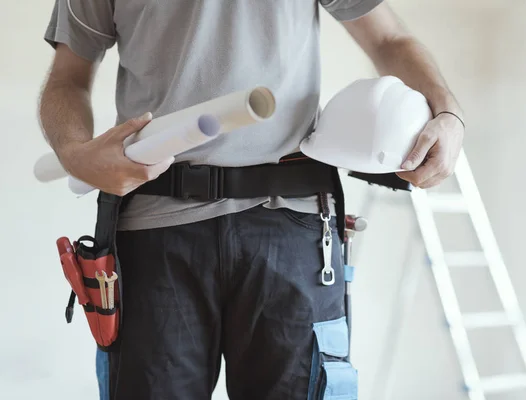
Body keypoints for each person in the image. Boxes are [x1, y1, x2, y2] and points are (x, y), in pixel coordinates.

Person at [39, 1, 464, 399]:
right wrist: (75, 153)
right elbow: (67, 80)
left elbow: (388, 40)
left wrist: (447, 112)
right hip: (154, 229)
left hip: (292, 227)